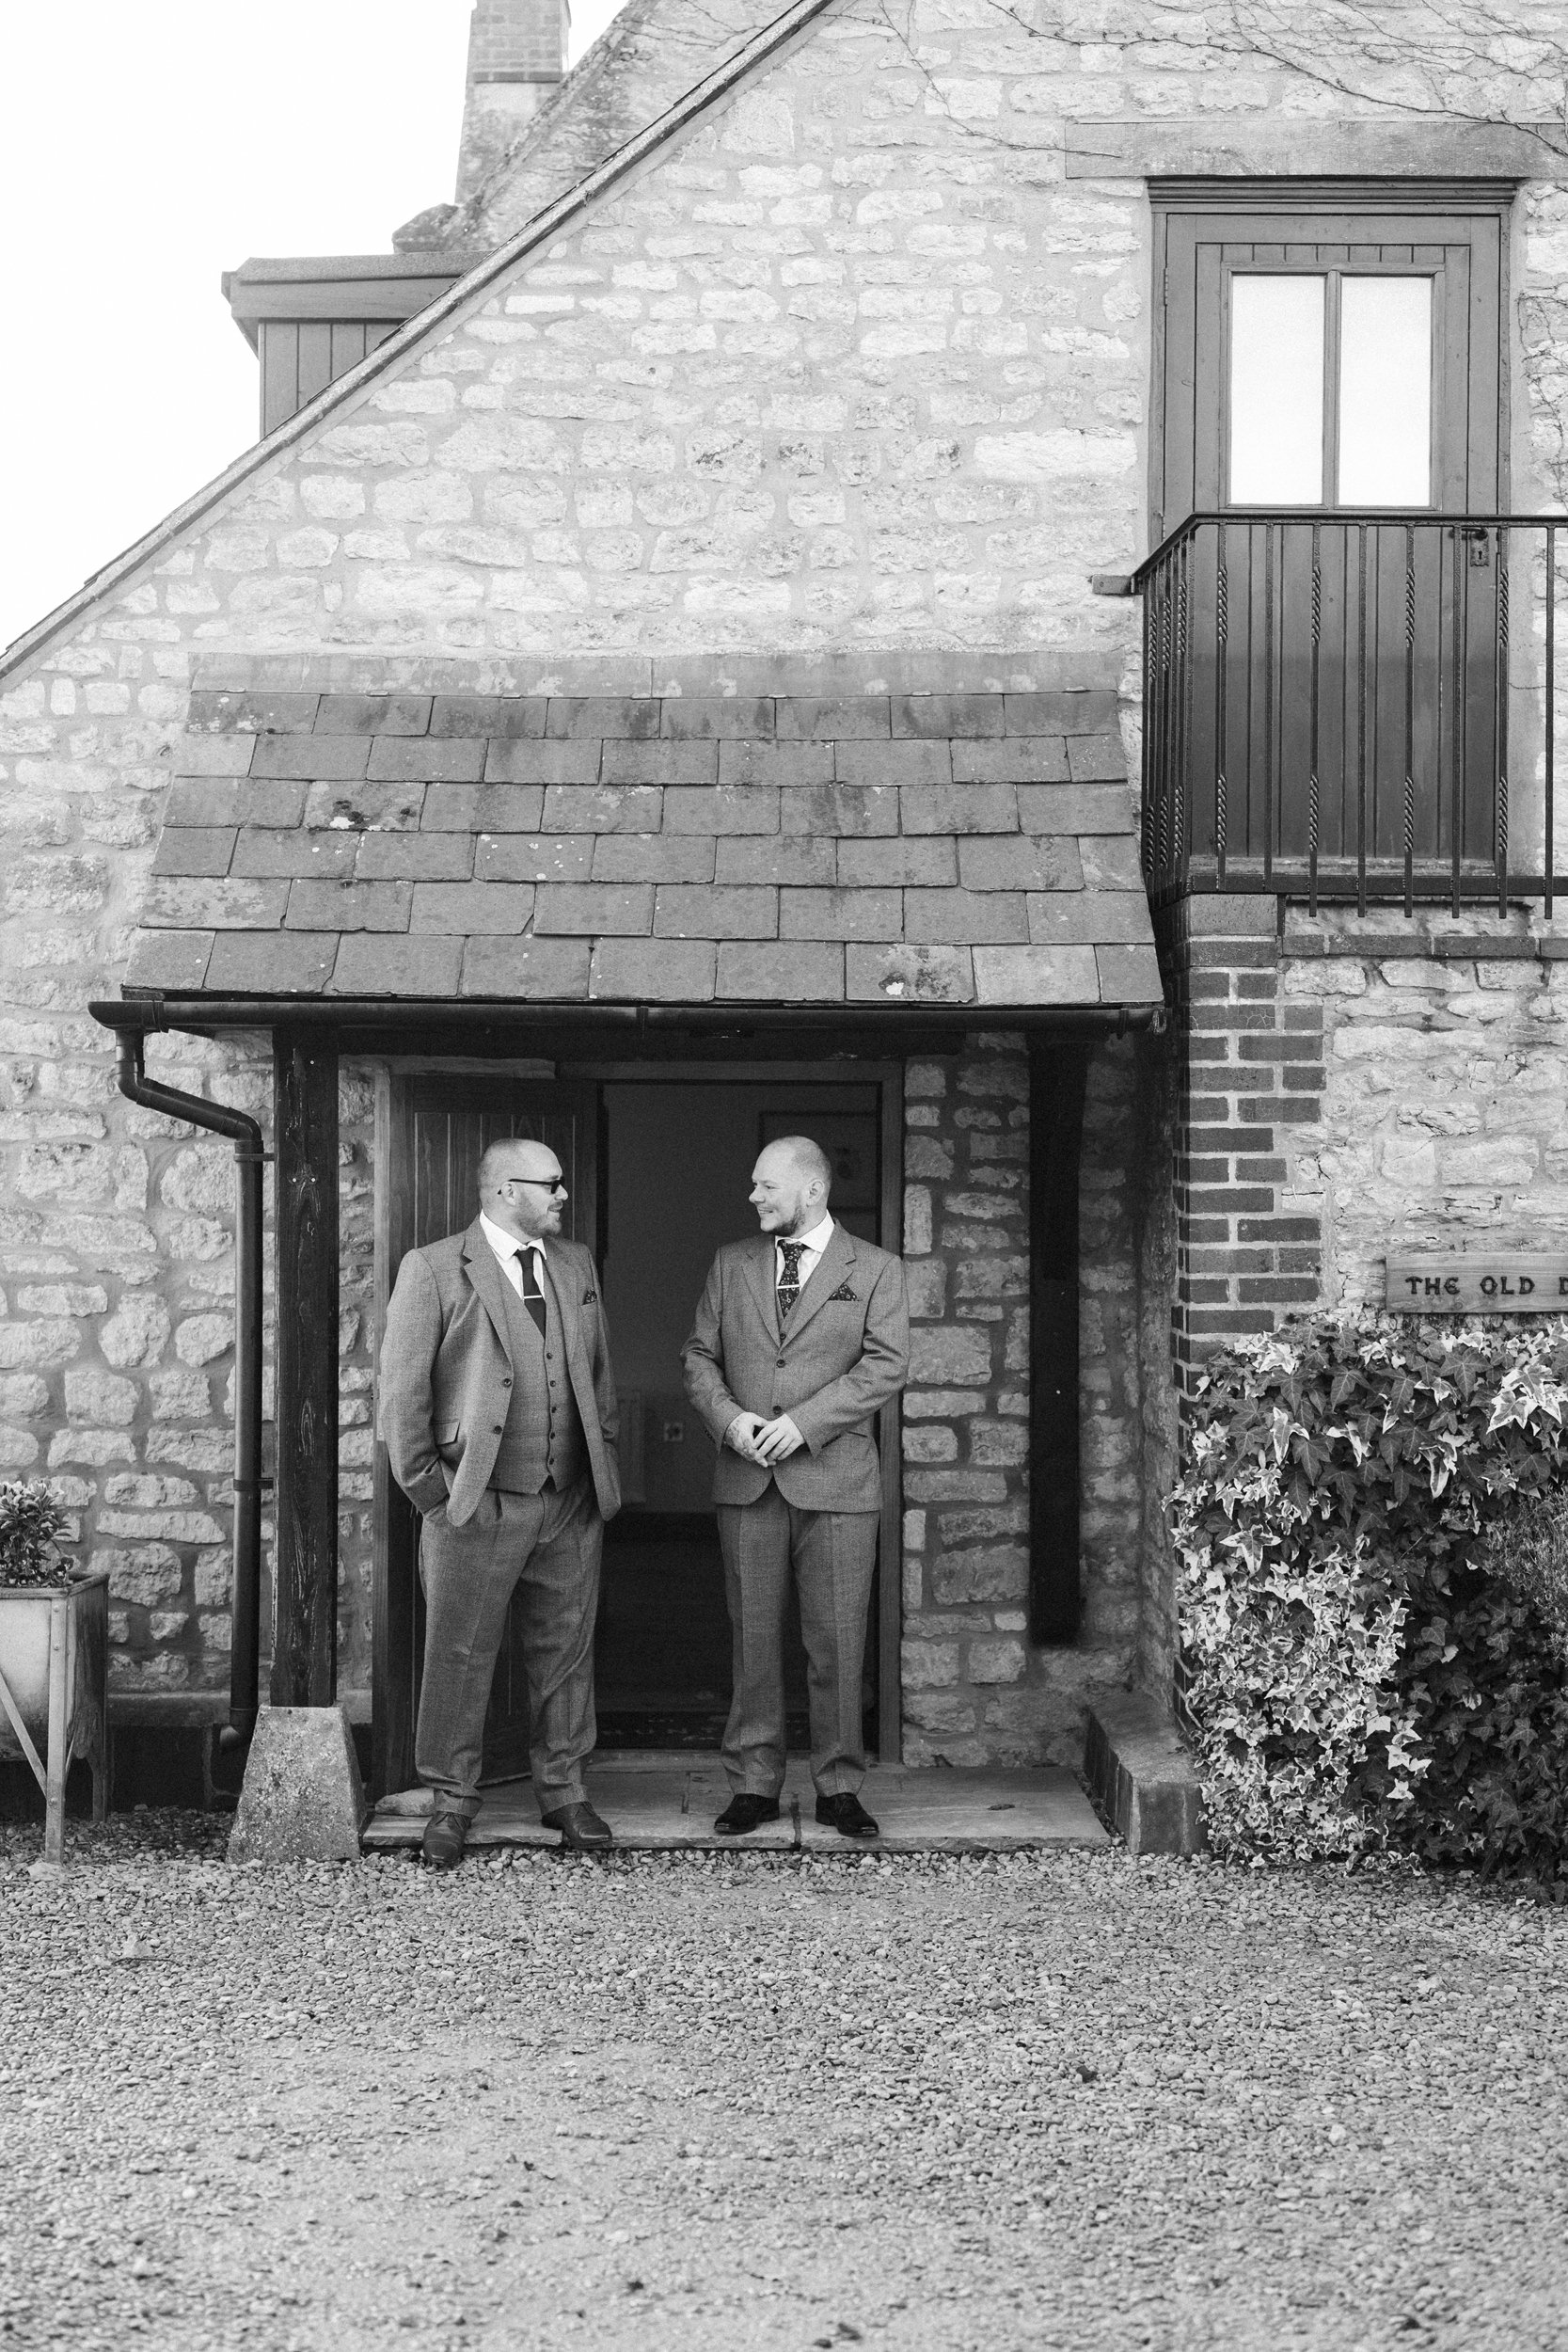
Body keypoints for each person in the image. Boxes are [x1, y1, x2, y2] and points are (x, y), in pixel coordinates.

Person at [380, 1136, 620, 1868]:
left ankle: (564, 1789)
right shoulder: (432, 1268)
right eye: (550, 1183)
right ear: (504, 1190)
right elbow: (401, 1395)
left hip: (568, 1500)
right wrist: (434, 1495)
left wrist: (596, 1463)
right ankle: (451, 1801)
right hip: (473, 1501)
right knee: (458, 1653)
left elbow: (598, 1371)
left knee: (565, 1654)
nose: (562, 1195)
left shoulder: (574, 1263)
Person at [682, 1135, 911, 1838]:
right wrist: (730, 1422)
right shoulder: (731, 1264)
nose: (753, 1197)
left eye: (766, 1187)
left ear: (811, 1191)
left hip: (837, 1483)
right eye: (754, 1186)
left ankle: (838, 1785)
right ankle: (753, 1783)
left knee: (837, 1642)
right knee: (752, 1639)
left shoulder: (874, 1268)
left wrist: (804, 1423)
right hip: (747, 1479)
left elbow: (885, 1366)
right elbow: (697, 1358)